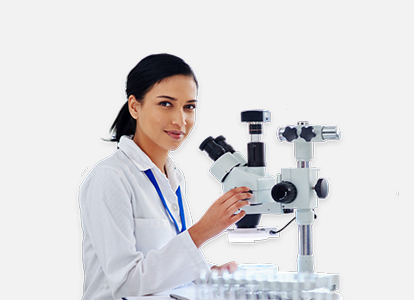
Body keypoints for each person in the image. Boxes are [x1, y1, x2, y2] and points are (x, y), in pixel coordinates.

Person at [79, 53, 252, 299]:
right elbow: (127, 283)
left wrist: (206, 276)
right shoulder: (110, 177)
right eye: (166, 104)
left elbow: (164, 265)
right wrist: (203, 231)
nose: (180, 120)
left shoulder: (174, 177)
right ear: (134, 106)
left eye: (189, 107)